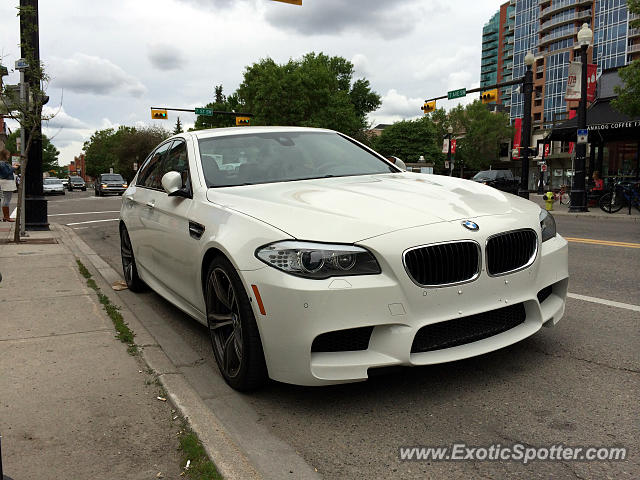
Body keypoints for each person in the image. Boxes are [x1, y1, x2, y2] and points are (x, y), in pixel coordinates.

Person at [0, 149, 18, 222]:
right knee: (6, 200)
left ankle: (5, 217)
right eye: (7, 155)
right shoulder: (2, 163)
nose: (9, 156)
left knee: (4, 199)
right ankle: (6, 217)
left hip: (5, 182)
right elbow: (6, 173)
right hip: (6, 182)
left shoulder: (4, 163)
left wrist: (14, 167)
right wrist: (14, 168)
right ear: (4, 155)